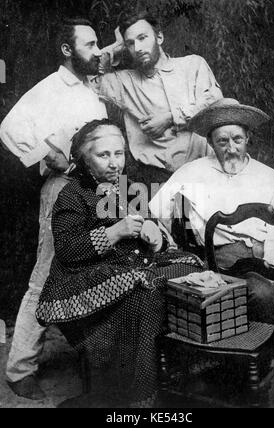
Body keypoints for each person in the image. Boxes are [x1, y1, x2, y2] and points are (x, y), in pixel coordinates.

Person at [35, 119, 203, 408]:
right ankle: (139, 395)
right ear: (84, 159)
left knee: (190, 267)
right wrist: (116, 231)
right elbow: (67, 250)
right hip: (83, 278)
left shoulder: (125, 187)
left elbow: (149, 228)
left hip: (131, 266)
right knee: (145, 293)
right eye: (104, 155)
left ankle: (176, 371)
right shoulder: (73, 194)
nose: (114, 163)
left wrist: (155, 237)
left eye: (119, 153)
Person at [149, 98, 274, 402]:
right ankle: (250, 371)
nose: (231, 148)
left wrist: (272, 260)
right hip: (225, 257)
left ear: (249, 139)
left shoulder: (271, 176)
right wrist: (178, 238)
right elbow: (157, 208)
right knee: (262, 294)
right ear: (210, 143)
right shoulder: (193, 172)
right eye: (222, 141)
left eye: (237, 139)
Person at [0, 18, 108, 400]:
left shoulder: (88, 89)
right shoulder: (50, 87)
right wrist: (49, 154)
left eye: (99, 44)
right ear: (67, 50)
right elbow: (10, 126)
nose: (98, 51)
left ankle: (94, 363)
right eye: (89, 45)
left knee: (95, 266)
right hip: (63, 188)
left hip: (95, 189)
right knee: (45, 275)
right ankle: (19, 370)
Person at [96, 10, 223, 185]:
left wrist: (170, 117)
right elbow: (91, 76)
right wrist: (117, 45)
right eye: (130, 44)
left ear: (159, 38)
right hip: (157, 179)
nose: (138, 48)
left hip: (205, 172)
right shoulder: (124, 81)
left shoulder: (193, 65)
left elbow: (215, 105)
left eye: (142, 38)